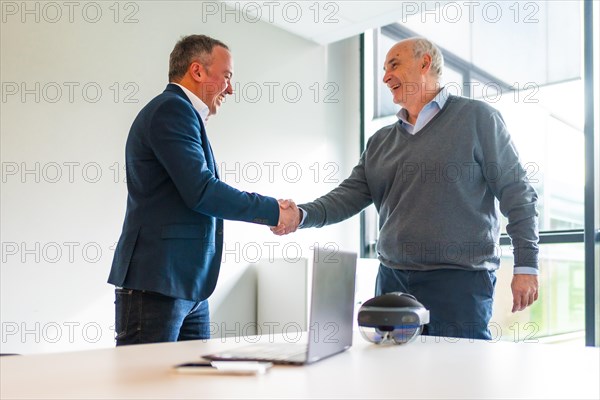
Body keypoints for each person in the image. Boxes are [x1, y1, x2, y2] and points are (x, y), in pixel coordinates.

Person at [273, 37, 539, 340]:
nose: (385, 77)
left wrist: (526, 266)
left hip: (459, 283)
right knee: (392, 379)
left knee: (459, 379)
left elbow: (518, 194)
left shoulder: (478, 119)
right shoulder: (380, 141)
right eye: (384, 69)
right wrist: (301, 215)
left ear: (425, 63)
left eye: (394, 65)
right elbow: (348, 195)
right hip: (392, 280)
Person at [108, 34, 300, 346]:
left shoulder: (183, 115)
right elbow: (202, 191)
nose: (231, 88)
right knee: (146, 389)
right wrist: (273, 211)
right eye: (227, 77)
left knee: (194, 384)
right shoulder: (172, 110)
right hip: (159, 283)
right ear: (197, 71)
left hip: (187, 286)